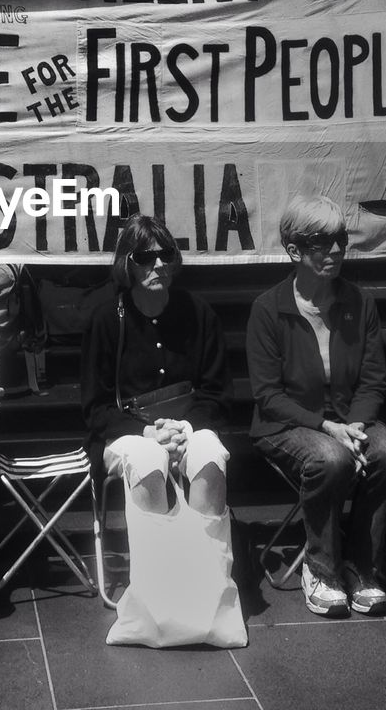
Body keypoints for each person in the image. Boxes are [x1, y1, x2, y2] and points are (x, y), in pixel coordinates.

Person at [80, 214, 243, 647]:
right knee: (148, 459)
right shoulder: (105, 318)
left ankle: (206, 590)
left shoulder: (199, 313)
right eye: (144, 257)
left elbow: (217, 394)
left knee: (211, 453)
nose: (157, 265)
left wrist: (186, 427)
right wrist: (149, 432)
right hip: (126, 434)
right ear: (126, 264)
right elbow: (95, 408)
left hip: (189, 425)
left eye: (165, 254)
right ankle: (158, 600)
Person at [245, 195, 386, 618]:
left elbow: (374, 380)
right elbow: (267, 395)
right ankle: (321, 569)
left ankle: (361, 566)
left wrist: (353, 424)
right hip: (286, 423)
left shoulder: (359, 301)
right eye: (321, 242)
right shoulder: (268, 309)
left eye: (339, 240)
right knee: (331, 459)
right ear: (294, 250)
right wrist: (328, 428)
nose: (335, 251)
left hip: (349, 419)